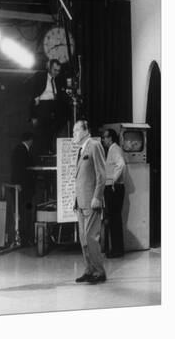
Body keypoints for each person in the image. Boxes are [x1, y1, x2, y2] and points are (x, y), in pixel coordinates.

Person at [72, 120, 107, 283]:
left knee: (91, 237)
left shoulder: (94, 145)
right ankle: (89, 269)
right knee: (83, 238)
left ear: (86, 131)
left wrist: (97, 197)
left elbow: (101, 174)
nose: (73, 134)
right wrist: (76, 201)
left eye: (76, 131)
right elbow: (81, 178)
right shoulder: (81, 150)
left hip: (92, 201)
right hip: (81, 202)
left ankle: (99, 272)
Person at [30, 59, 66, 155]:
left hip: (54, 106)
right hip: (43, 105)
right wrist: (33, 115)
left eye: (58, 70)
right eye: (55, 70)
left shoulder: (59, 80)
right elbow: (32, 96)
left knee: (52, 130)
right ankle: (42, 152)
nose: (56, 73)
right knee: (42, 131)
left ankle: (50, 149)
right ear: (49, 68)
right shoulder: (40, 77)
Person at [101, 128, 126, 258]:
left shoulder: (114, 149)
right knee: (113, 219)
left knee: (114, 219)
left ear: (110, 138)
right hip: (113, 188)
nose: (103, 140)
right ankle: (117, 249)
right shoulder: (112, 150)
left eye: (104, 137)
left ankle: (117, 250)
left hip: (114, 189)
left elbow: (121, 165)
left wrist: (112, 181)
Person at [10, 132, 35, 245]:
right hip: (22, 188)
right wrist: (18, 183)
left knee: (23, 212)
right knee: (23, 212)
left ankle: (23, 237)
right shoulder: (21, 150)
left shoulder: (19, 149)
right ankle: (22, 238)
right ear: (30, 140)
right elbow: (17, 168)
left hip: (23, 187)